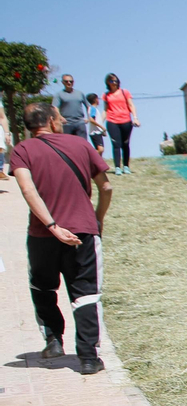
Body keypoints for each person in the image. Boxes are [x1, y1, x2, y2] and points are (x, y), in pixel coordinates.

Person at [10, 103, 114, 374]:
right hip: (82, 232)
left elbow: (26, 189)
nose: (64, 119)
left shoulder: (22, 149)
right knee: (86, 294)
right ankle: (89, 358)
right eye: (60, 116)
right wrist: (98, 217)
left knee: (42, 287)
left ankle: (53, 341)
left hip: (41, 235)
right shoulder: (80, 145)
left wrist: (52, 226)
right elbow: (106, 186)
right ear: (52, 120)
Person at [102, 74, 137, 174]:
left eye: (116, 80)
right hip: (112, 121)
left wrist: (135, 118)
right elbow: (105, 110)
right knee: (116, 144)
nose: (115, 83)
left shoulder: (124, 92)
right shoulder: (106, 95)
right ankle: (117, 167)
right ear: (108, 82)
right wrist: (99, 123)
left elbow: (131, 105)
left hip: (126, 121)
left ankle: (126, 166)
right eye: (112, 81)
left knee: (125, 144)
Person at [54, 75, 91, 140]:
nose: (69, 83)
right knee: (67, 145)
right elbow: (55, 107)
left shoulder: (79, 93)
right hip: (67, 123)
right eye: (66, 81)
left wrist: (88, 118)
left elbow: (88, 106)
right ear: (63, 82)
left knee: (82, 144)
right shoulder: (59, 94)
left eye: (71, 81)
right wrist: (60, 117)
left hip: (80, 123)